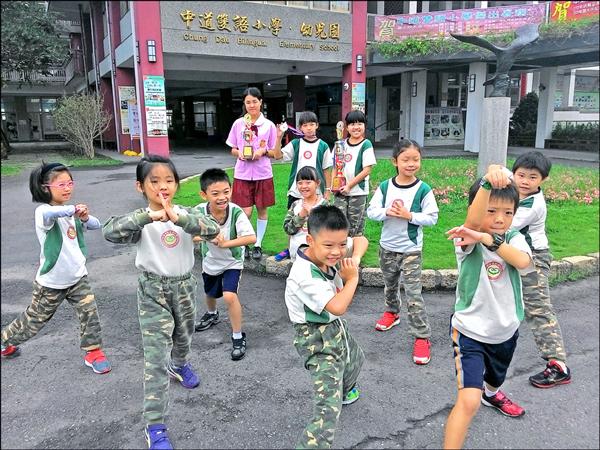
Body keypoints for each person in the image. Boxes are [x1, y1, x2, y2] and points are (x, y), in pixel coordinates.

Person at [102, 156, 220, 450]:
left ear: (177, 184)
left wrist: (178, 219)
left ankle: (179, 365)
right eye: (154, 181)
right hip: (153, 290)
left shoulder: (187, 213)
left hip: (183, 286)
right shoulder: (140, 220)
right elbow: (110, 232)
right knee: (155, 359)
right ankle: (155, 425)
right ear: (140, 186)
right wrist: (149, 217)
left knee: (184, 337)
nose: (162, 187)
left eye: (168, 180)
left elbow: (212, 229)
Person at [443, 165, 535, 449]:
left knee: (495, 381)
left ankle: (492, 393)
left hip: (506, 331)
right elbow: (472, 224)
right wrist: (485, 181)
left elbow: (522, 262)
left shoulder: (515, 239)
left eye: (508, 213)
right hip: (469, 333)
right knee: (468, 401)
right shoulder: (467, 240)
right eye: (491, 210)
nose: (500, 219)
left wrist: (488, 238)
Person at [0, 162, 111, 374]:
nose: (68, 188)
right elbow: (50, 216)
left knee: (90, 313)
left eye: (70, 183)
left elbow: (96, 225)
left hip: (78, 278)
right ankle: (4, 340)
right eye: (61, 184)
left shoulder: (70, 212)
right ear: (45, 188)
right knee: (35, 320)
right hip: (51, 283)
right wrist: (71, 209)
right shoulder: (44, 212)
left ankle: (93, 352)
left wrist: (85, 216)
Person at [285, 204, 368, 449]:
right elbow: (338, 306)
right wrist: (352, 278)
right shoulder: (304, 275)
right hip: (315, 339)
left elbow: (361, 240)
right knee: (327, 412)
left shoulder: (330, 247)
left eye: (341, 244)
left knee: (356, 359)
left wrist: (355, 256)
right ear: (310, 240)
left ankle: (347, 388)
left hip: (334, 328)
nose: (337, 252)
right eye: (329, 246)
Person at [366, 139, 438, 365]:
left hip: (411, 251)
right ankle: (392, 312)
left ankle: (422, 336)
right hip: (387, 247)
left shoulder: (423, 190)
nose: (411, 164)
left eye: (415, 159)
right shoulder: (386, 187)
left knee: (414, 294)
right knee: (390, 284)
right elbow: (372, 212)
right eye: (406, 159)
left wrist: (409, 216)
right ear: (394, 162)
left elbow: (432, 218)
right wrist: (388, 211)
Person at [511, 151, 571, 388]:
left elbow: (505, 225)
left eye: (532, 177)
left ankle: (558, 365)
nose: (525, 181)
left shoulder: (533, 204)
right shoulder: (513, 184)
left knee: (538, 309)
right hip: (516, 254)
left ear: (543, 180)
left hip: (534, 258)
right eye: (521, 175)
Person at [193, 168, 256, 361]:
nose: (222, 197)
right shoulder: (198, 212)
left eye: (226, 191)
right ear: (204, 194)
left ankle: (238, 336)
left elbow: (251, 237)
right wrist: (207, 238)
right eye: (215, 193)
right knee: (210, 292)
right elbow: (189, 235)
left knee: (229, 296)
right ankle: (212, 314)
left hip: (232, 261)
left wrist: (226, 243)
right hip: (211, 260)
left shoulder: (236, 212)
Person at [226, 87, 278, 261]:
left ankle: (258, 244)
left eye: (254, 101)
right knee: (245, 212)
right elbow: (232, 148)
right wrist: (239, 153)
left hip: (262, 173)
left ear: (261, 102)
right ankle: (245, 243)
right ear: (244, 104)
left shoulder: (269, 125)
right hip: (242, 173)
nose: (251, 105)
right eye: (248, 102)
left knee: (262, 210)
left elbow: (274, 153)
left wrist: (262, 152)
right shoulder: (238, 124)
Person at [273, 111, 333, 261]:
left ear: (317, 126)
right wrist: (279, 136)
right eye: (305, 125)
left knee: (315, 223)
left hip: (317, 193)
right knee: (292, 222)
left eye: (312, 124)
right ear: (300, 128)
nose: (309, 128)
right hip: (296, 191)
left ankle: (315, 249)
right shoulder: (296, 144)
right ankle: (290, 249)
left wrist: (327, 190)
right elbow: (277, 155)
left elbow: (327, 169)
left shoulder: (323, 146)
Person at [331, 109, 377, 237]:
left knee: (355, 225)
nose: (356, 127)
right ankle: (341, 251)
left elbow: (367, 169)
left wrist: (349, 186)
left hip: (358, 192)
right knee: (339, 222)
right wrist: (333, 185)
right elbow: (335, 166)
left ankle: (353, 253)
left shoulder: (366, 144)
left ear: (364, 126)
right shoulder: (340, 144)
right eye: (352, 124)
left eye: (359, 124)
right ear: (346, 127)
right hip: (340, 191)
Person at [283, 166, 327, 261]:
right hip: (296, 255)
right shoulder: (295, 205)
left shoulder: (325, 205)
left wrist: (311, 213)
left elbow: (328, 229)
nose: (304, 186)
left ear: (317, 183)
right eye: (300, 183)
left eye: (308, 182)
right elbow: (288, 229)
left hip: (317, 257)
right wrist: (301, 215)